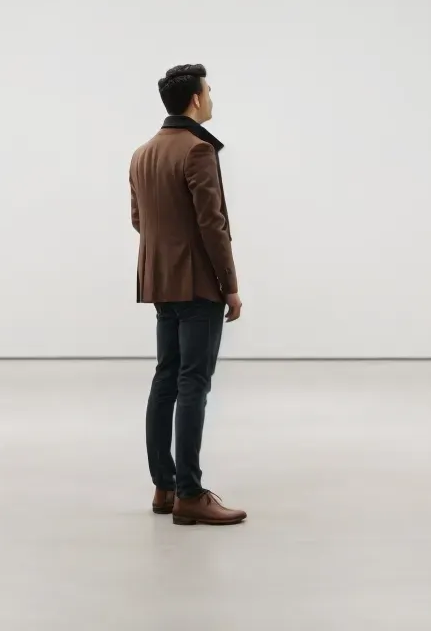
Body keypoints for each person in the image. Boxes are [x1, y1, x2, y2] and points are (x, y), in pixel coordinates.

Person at [130, 63, 247, 526]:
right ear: (195, 100)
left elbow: (140, 220)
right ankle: (191, 494)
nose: (212, 97)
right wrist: (231, 286)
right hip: (198, 283)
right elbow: (212, 225)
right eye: (209, 91)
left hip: (160, 281)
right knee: (193, 384)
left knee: (166, 377)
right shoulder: (198, 150)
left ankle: (164, 486)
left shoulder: (142, 154)